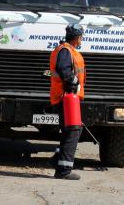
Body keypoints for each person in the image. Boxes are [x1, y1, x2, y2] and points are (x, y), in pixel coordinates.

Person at [49, 24, 86, 180]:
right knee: (73, 130)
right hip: (66, 97)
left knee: (72, 130)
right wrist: (73, 80)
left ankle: (57, 161)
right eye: (81, 36)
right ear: (78, 38)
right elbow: (64, 69)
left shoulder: (67, 50)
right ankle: (64, 170)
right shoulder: (65, 51)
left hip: (68, 97)